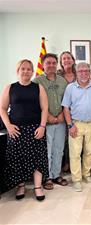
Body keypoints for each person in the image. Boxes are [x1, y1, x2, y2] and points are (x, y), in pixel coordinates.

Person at [0, 59, 48, 201]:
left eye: (28, 69)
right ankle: (21, 186)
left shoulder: (38, 87)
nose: (26, 71)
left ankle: (38, 187)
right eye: (23, 69)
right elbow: (2, 109)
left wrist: (42, 126)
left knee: (38, 159)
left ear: (32, 71)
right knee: (17, 159)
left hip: (35, 130)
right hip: (16, 131)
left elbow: (45, 108)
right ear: (18, 71)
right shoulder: (10, 88)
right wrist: (8, 125)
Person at [62, 62, 91, 192]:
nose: (84, 73)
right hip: (76, 124)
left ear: (90, 72)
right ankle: (77, 179)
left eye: (86, 71)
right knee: (75, 153)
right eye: (81, 71)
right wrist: (70, 125)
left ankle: (87, 175)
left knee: (89, 152)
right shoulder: (70, 88)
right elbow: (66, 108)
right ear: (76, 73)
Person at [34, 53, 68, 190]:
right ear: (43, 64)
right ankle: (47, 177)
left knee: (59, 149)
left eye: (54, 62)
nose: (51, 65)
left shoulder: (62, 81)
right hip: (45, 122)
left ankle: (56, 174)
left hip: (60, 121)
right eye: (48, 63)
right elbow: (36, 102)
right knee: (46, 150)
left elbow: (67, 100)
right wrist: (48, 116)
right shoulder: (37, 81)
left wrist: (61, 115)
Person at [57, 51, 76, 173]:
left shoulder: (78, 74)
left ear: (73, 60)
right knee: (62, 140)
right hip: (60, 112)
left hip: (75, 112)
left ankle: (72, 164)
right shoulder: (57, 75)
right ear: (61, 62)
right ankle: (63, 164)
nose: (67, 60)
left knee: (74, 140)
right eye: (64, 59)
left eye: (69, 58)